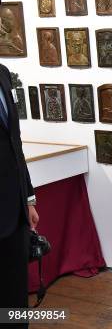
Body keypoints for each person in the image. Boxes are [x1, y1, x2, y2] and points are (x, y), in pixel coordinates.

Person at [0, 62, 40, 324]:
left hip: (13, 209)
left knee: (15, 294)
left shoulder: (3, 73)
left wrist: (28, 198)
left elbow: (16, 142)